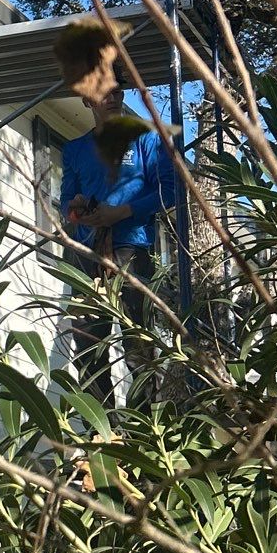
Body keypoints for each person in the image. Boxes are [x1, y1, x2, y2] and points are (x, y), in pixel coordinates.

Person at [59, 78, 176, 405]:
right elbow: (66, 200)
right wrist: (76, 209)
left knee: (137, 343)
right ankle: (101, 426)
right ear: (86, 100)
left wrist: (122, 212)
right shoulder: (75, 149)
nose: (112, 97)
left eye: (117, 91)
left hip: (132, 249)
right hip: (86, 252)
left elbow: (170, 190)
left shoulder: (146, 141)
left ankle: (145, 426)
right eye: (102, 92)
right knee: (86, 343)